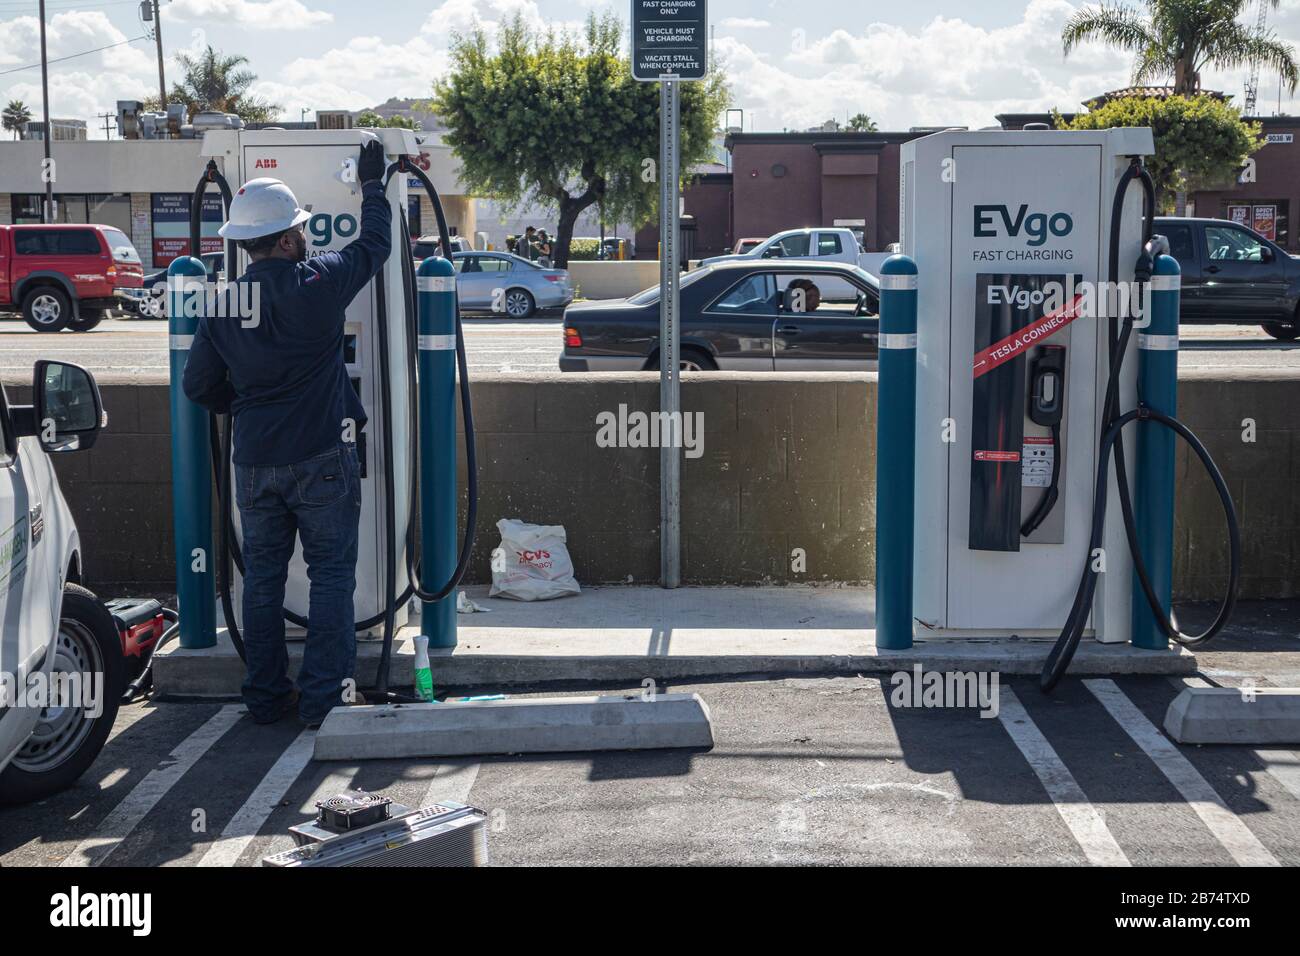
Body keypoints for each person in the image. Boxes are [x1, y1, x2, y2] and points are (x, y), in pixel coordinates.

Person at [183, 139, 391, 728]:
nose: (305, 236)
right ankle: (324, 701)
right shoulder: (319, 280)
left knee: (263, 582)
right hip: (322, 457)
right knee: (330, 577)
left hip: (253, 464)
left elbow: (199, 387)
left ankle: (267, 698)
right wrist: (372, 188)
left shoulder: (223, 303)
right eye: (298, 229)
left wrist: (249, 405)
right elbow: (375, 245)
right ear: (283, 239)